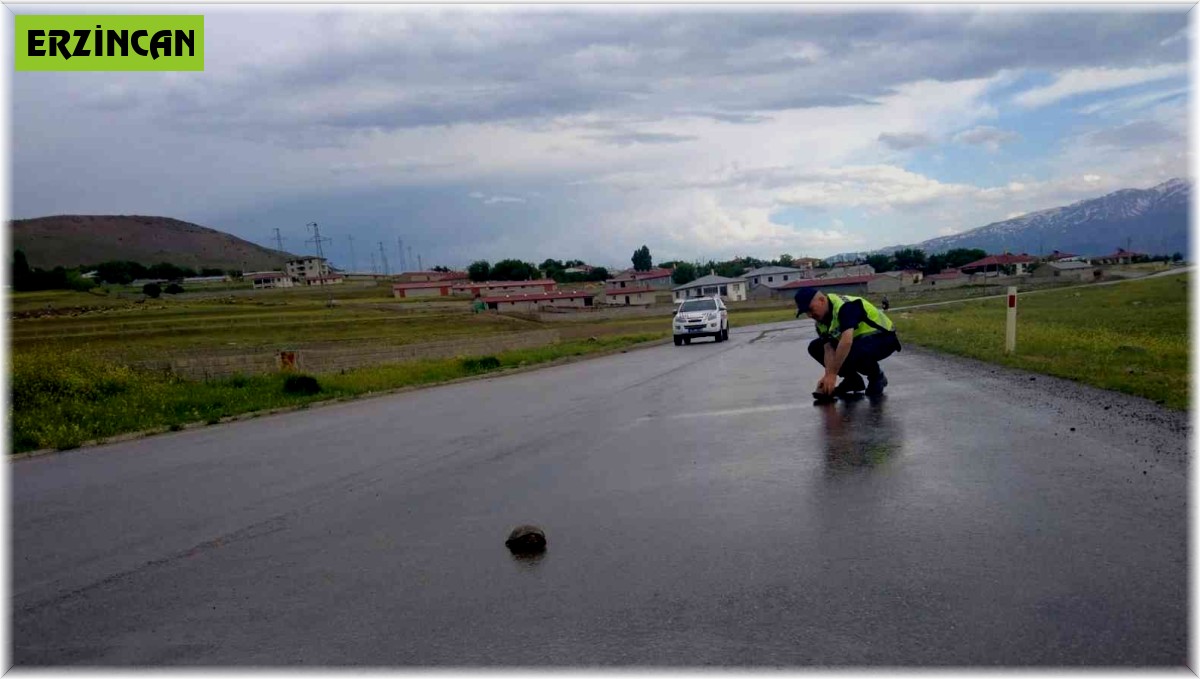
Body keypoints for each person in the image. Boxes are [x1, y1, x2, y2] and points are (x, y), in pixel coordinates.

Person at [795, 287, 901, 397]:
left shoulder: (845, 306)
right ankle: (852, 380)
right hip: (859, 342)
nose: (809, 315)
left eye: (811, 309)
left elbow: (846, 342)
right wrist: (828, 376)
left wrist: (832, 374)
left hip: (884, 338)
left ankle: (876, 377)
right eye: (806, 312)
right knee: (816, 347)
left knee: (850, 350)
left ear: (821, 300)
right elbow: (828, 348)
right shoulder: (820, 322)